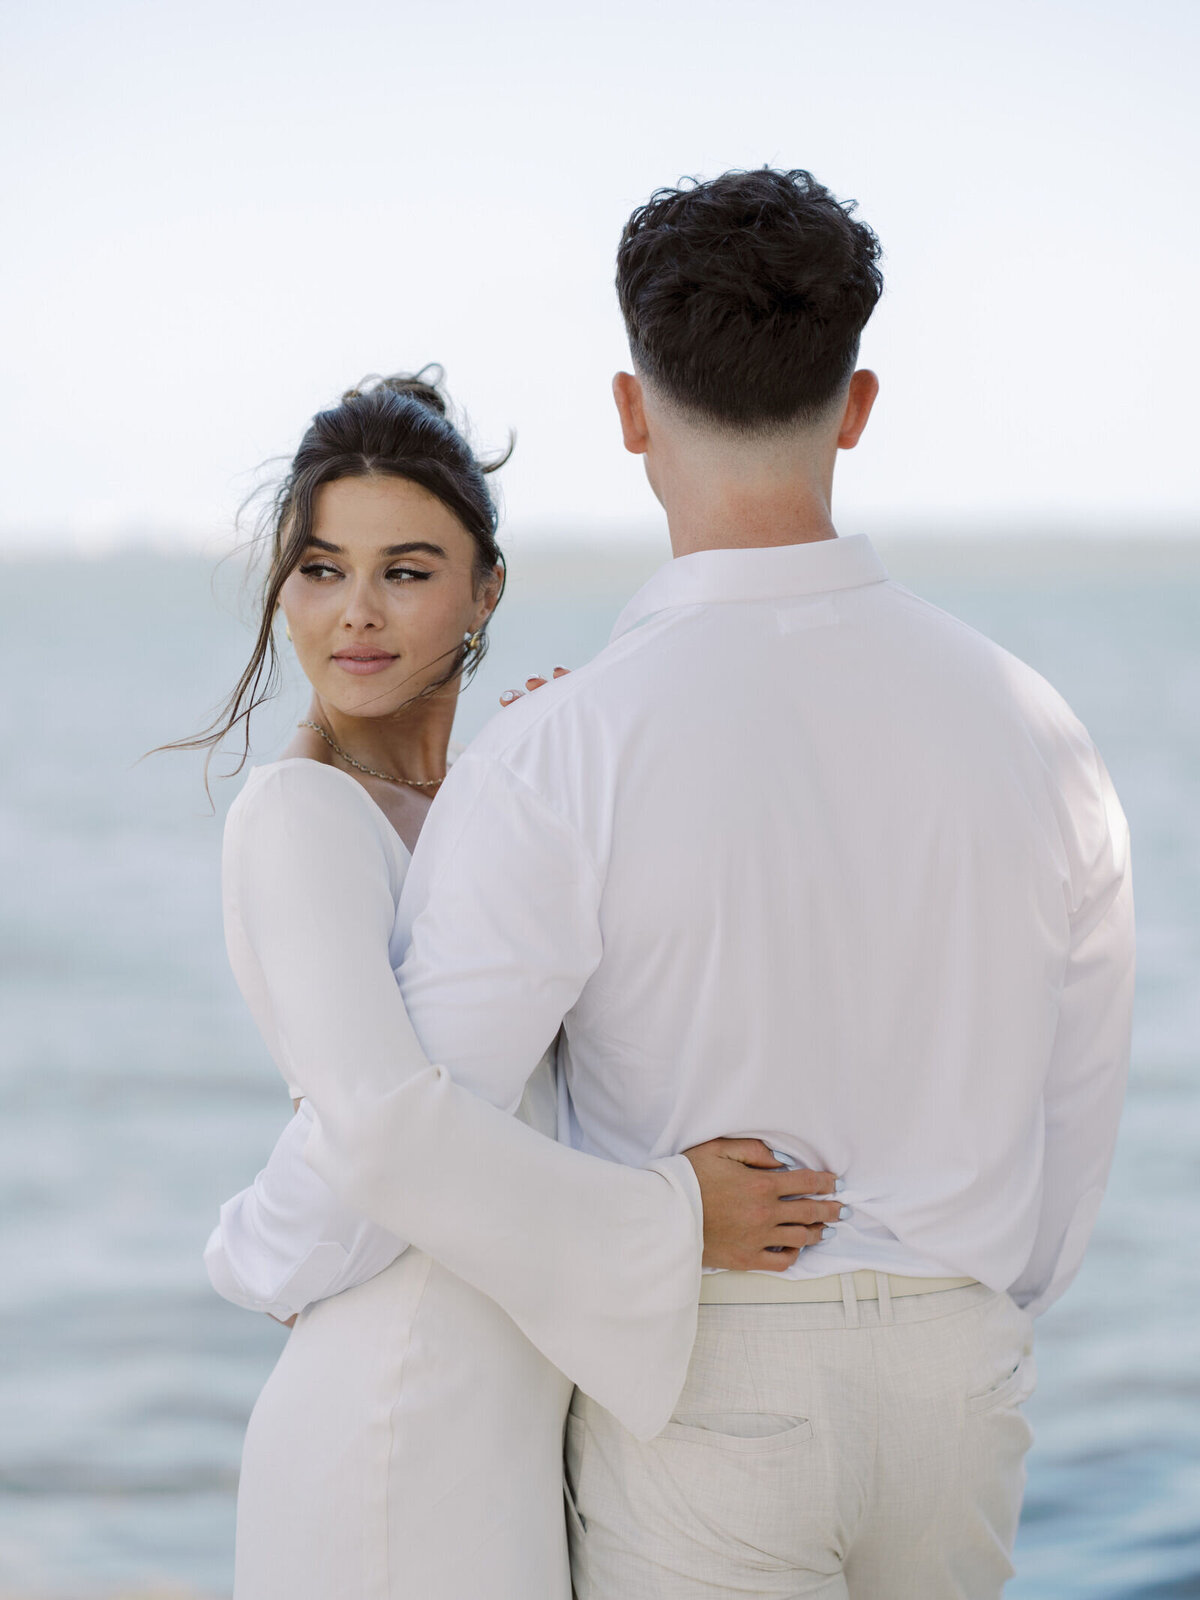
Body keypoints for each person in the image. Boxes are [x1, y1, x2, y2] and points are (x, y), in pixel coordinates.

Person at [294, 170, 1134, 1599]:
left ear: (633, 414)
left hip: (708, 1363)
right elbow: (1076, 1112)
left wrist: (270, 1258)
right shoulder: (1038, 725)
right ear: (855, 404)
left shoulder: (569, 746)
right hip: (961, 1372)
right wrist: (964, 1308)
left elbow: (425, 1113)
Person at [193, 368, 841, 1598]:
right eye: (321, 568)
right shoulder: (300, 815)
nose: (355, 615)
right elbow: (385, 1128)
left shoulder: (495, 800)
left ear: (486, 586)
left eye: (409, 568)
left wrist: (538, 786)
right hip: (395, 1418)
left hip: (501, 1412)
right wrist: (675, 1213)